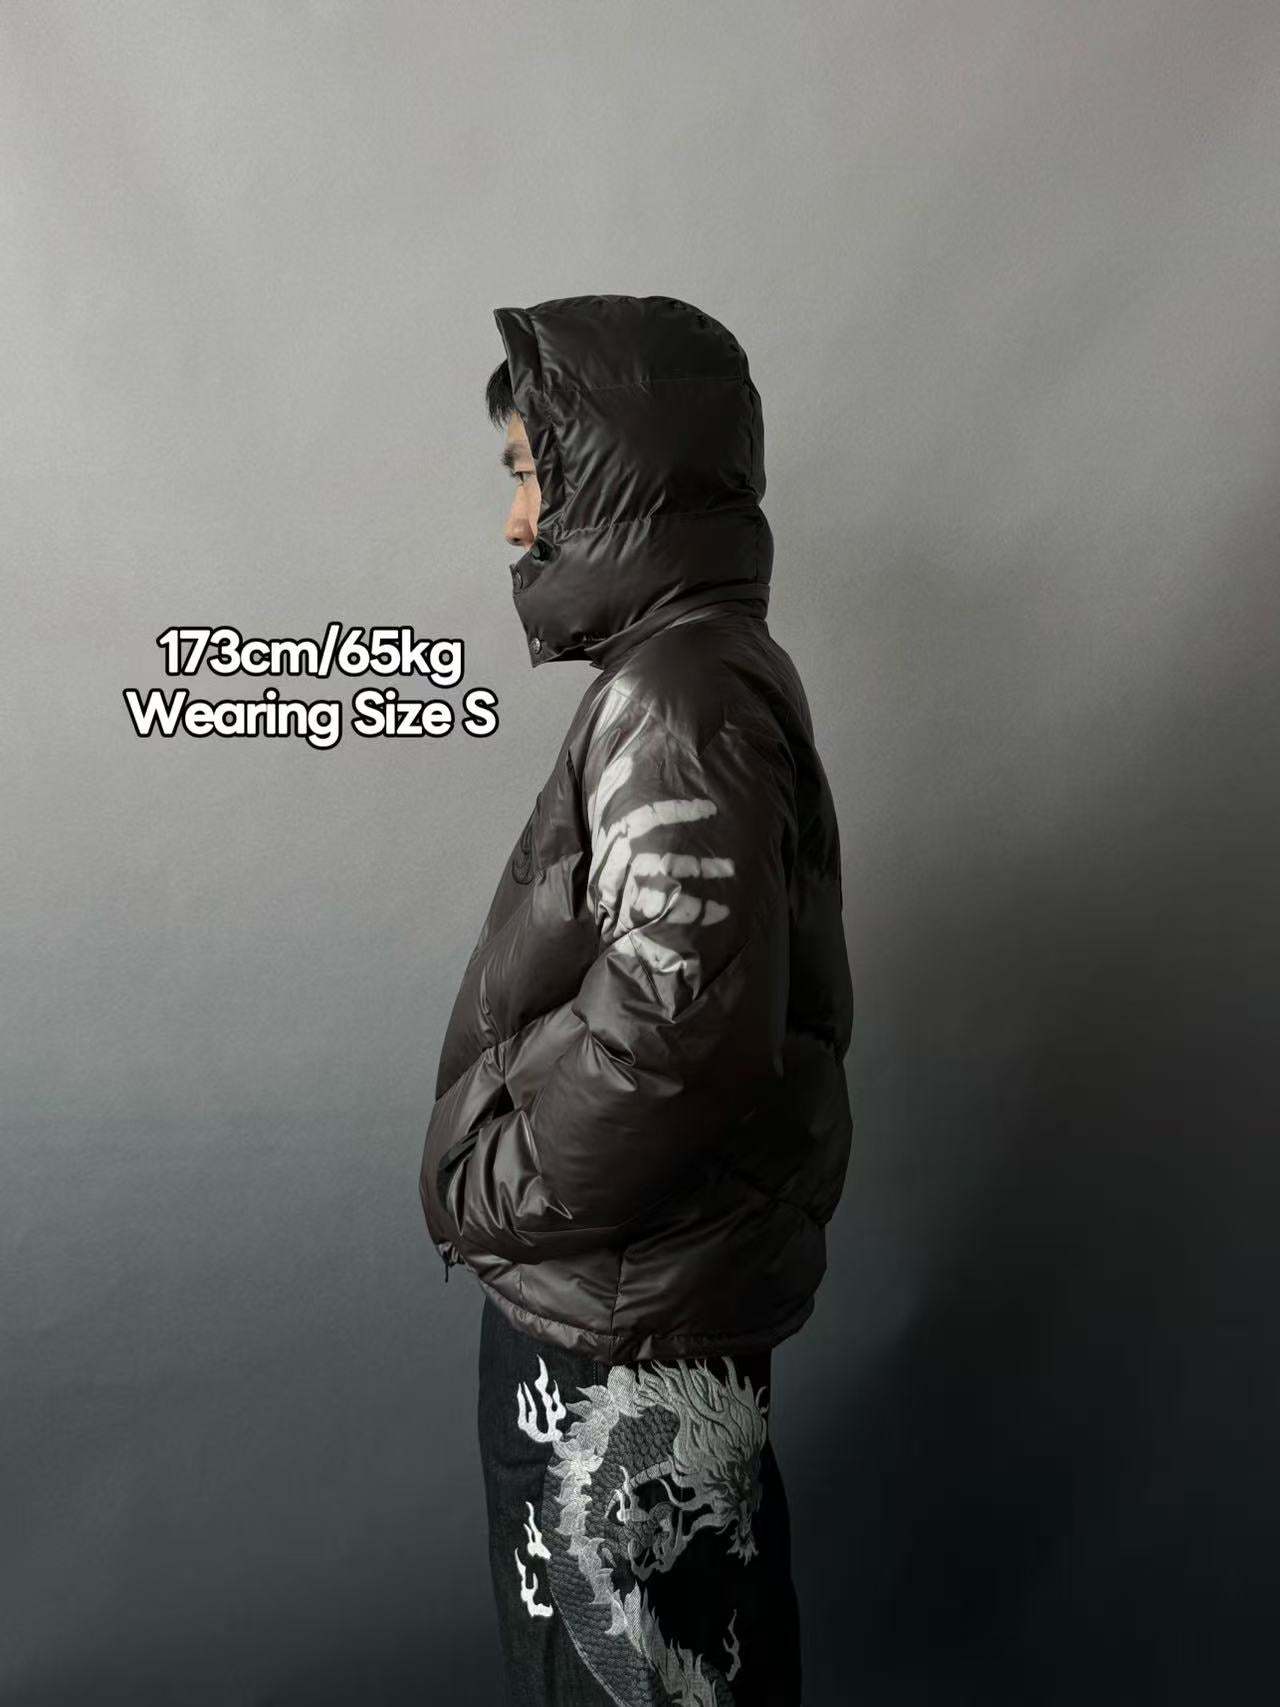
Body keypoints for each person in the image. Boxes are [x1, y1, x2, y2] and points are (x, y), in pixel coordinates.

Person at [419, 294, 854, 1705]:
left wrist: (492, 1190)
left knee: (625, 1678)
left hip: (615, 1331)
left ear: (619, 479)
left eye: (528, 476)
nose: (514, 522)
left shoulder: (679, 699)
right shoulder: (692, 677)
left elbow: (679, 1032)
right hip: (639, 1307)